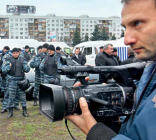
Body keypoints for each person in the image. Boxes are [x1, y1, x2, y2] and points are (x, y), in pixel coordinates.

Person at [66, 0, 156, 139]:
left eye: (137, 23)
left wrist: (97, 132)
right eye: (125, 28)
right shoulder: (151, 70)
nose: (127, 40)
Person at [2, 48, 30, 118]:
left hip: (21, 81)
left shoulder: (22, 60)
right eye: (13, 53)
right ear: (12, 53)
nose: (15, 54)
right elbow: (3, 70)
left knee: (22, 97)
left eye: (16, 53)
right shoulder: (8, 60)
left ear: (19, 53)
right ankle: (10, 112)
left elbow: (27, 70)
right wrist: (9, 66)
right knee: (11, 97)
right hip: (12, 81)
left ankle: (24, 111)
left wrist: (24, 66)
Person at [0, 46, 12, 114]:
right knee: (8, 93)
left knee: (8, 93)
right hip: (9, 77)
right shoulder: (8, 57)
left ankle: (6, 107)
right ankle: (6, 107)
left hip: (10, 77)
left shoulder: (6, 56)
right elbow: (4, 69)